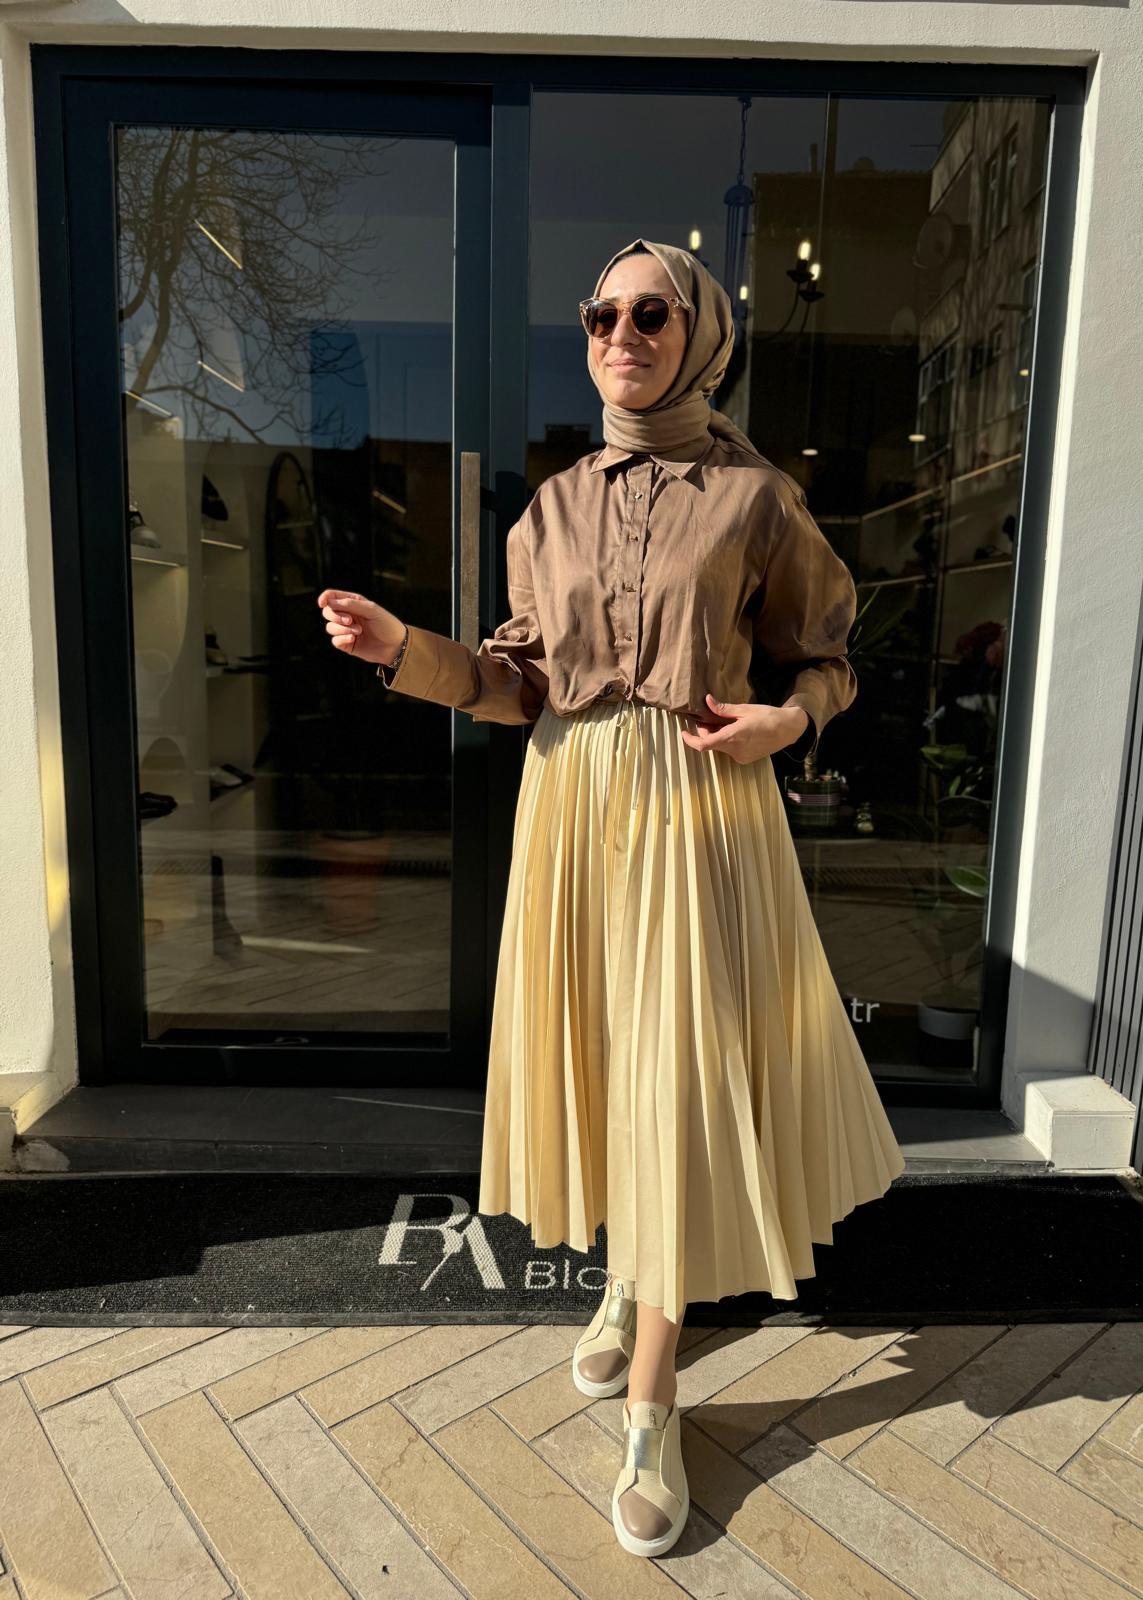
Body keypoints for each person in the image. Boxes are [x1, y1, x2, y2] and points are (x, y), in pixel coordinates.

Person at [317, 236, 906, 1559]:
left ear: (702, 337)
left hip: (700, 805)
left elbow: (830, 659)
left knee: (677, 1074)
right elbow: (516, 681)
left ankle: (653, 1399)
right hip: (573, 807)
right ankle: (632, 1274)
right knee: (603, 1058)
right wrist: (407, 652)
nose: (621, 335)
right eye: (601, 314)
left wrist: (786, 722)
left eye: (651, 313)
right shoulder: (551, 509)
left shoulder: (757, 498)